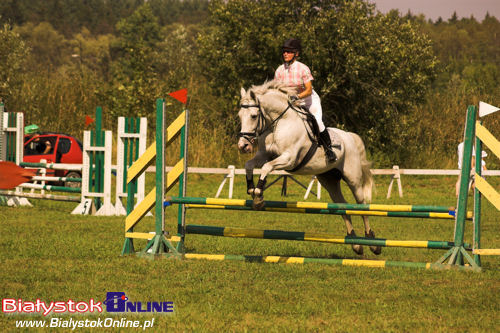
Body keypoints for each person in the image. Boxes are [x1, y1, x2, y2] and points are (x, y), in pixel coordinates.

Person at [274, 38, 337, 162]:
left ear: (296, 54)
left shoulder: (303, 68)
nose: (285, 54)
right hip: (291, 102)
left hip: (308, 101)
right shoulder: (279, 70)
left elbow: (308, 90)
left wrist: (296, 97)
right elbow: (276, 90)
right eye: (284, 51)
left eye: (288, 51)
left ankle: (329, 150)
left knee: (318, 122)